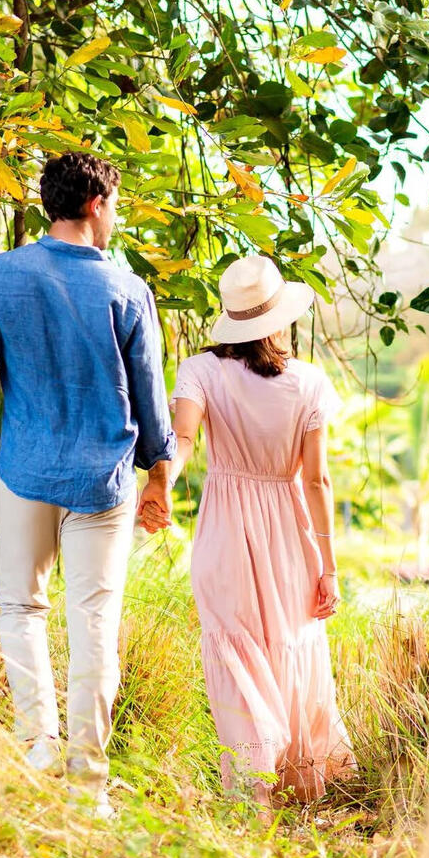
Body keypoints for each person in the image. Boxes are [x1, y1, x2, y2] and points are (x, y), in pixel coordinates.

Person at [0, 152, 176, 817]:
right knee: (94, 621)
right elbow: (151, 401)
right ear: (98, 204)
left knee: (20, 610)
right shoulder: (127, 289)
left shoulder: (0, 273)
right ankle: (88, 782)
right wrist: (159, 476)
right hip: (102, 480)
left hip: (24, 471)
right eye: (117, 206)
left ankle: (37, 753)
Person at [145, 254, 354, 813]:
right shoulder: (309, 383)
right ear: (279, 318)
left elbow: (182, 441)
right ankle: (300, 793)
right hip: (291, 532)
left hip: (224, 529)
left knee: (237, 654)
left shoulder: (200, 370)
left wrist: (162, 482)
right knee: (290, 650)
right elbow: (317, 480)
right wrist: (328, 566)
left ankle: (251, 790)